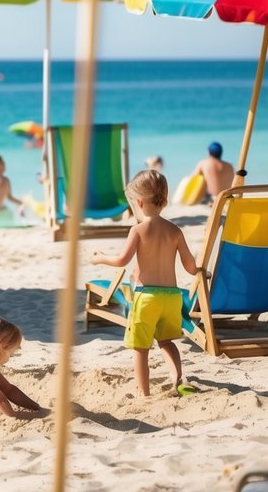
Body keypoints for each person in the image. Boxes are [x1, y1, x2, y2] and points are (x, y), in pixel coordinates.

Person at [92, 169, 197, 397]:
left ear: (138, 202)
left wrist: (100, 257)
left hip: (146, 296)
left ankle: (144, 393)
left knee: (140, 349)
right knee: (167, 342)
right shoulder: (175, 231)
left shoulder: (138, 230)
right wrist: (200, 269)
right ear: (165, 200)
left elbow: (122, 259)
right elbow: (191, 267)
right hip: (172, 297)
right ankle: (178, 380)